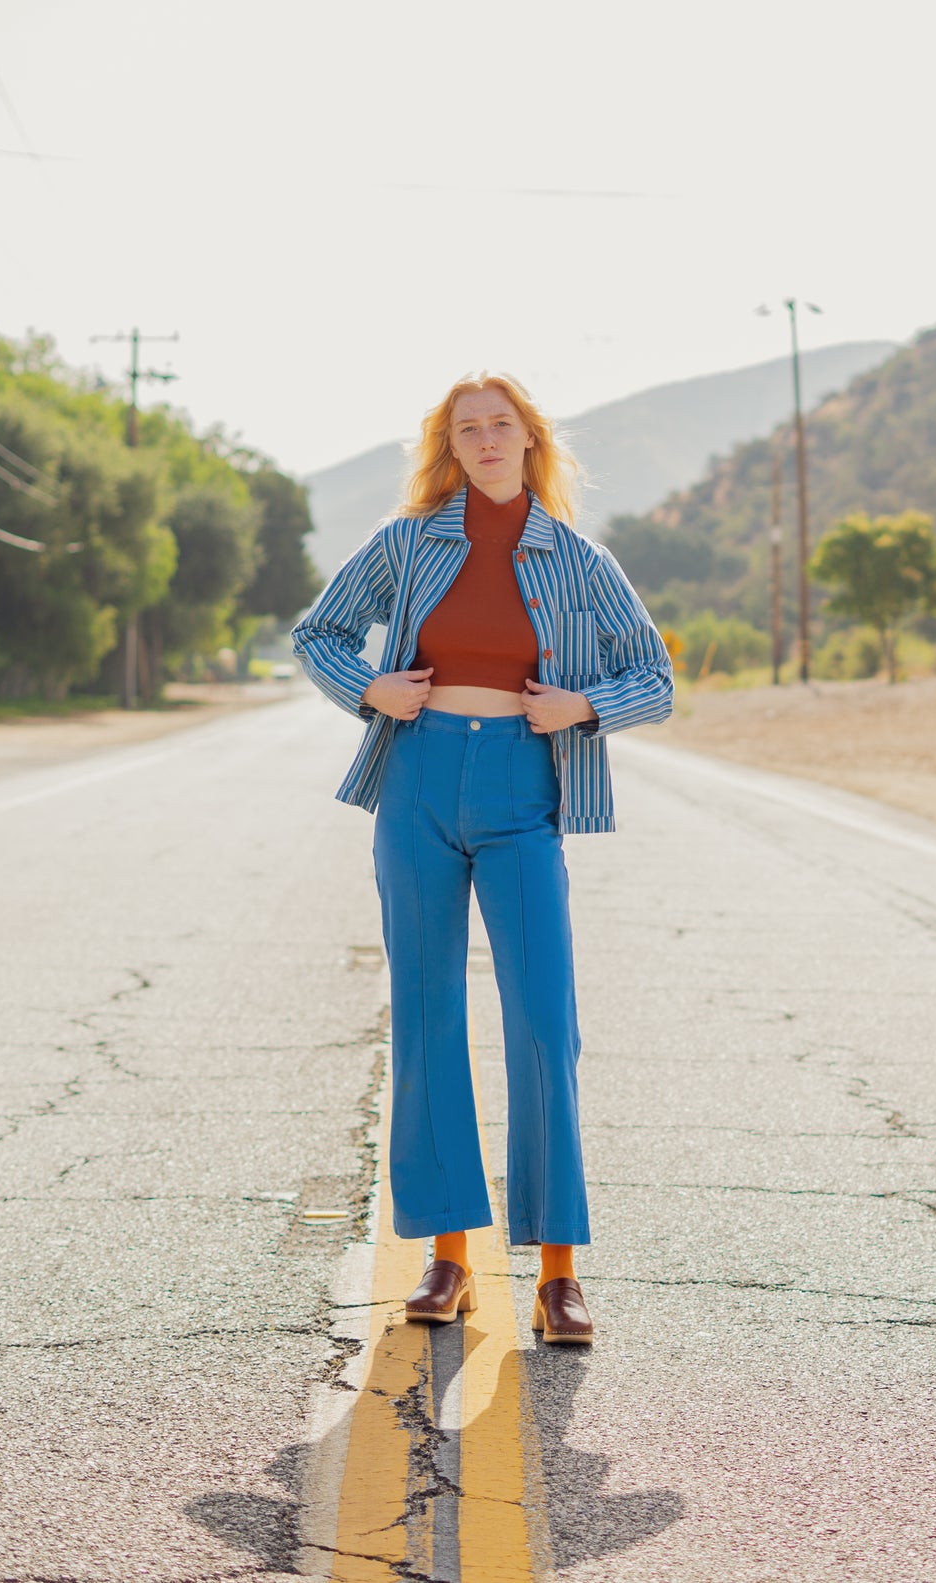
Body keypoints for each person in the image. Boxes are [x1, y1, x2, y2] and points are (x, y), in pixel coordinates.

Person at [293, 372, 673, 1345]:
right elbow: (320, 630)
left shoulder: (577, 558)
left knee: (544, 1024)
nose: (485, 437)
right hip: (416, 782)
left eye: (500, 423)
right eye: (467, 427)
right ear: (449, 446)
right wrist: (369, 687)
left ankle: (557, 1274)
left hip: (520, 786)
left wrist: (581, 706)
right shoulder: (407, 540)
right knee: (425, 1016)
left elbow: (653, 675)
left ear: (530, 439)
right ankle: (449, 1260)